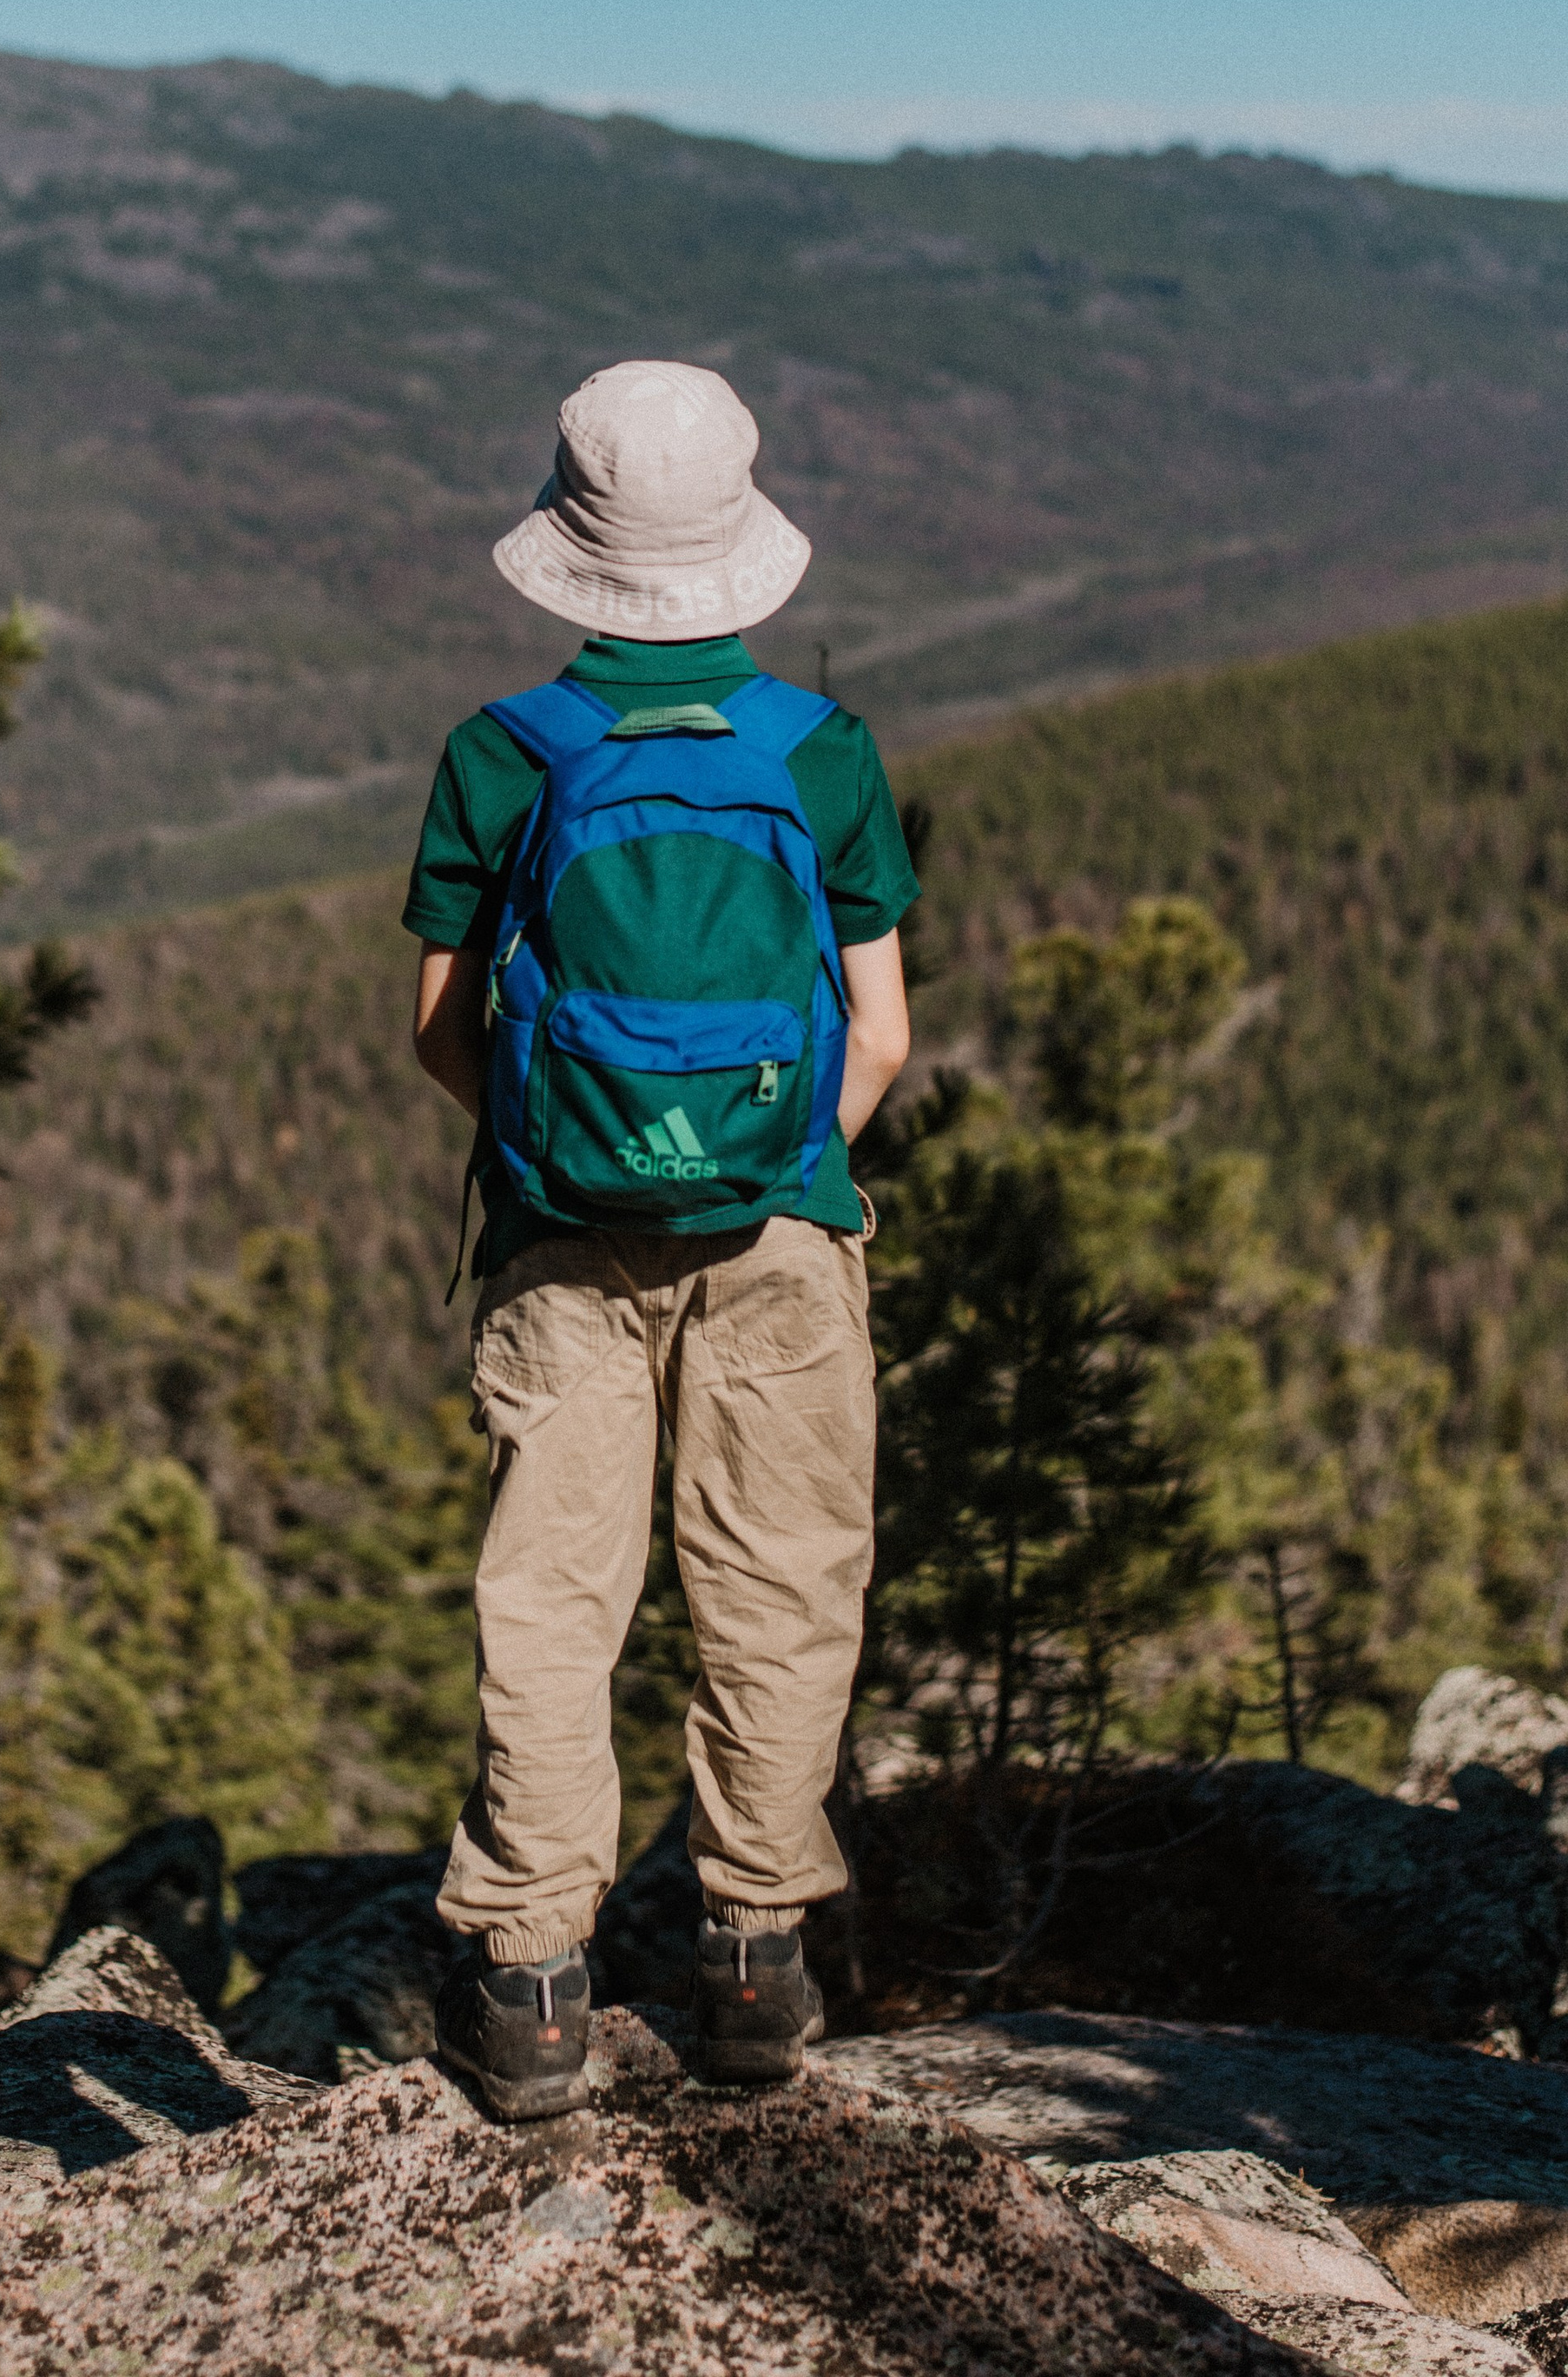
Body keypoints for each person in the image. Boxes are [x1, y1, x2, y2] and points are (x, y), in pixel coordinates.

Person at [404, 359, 917, 2119]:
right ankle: (754, 1963)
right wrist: (769, 1157)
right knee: (773, 1588)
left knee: (549, 1604)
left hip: (557, 1242)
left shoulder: (502, 753)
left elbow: (436, 1029)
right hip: (780, 1233)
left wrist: (567, 1149)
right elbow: (885, 1035)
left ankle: (534, 1988)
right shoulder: (818, 752)